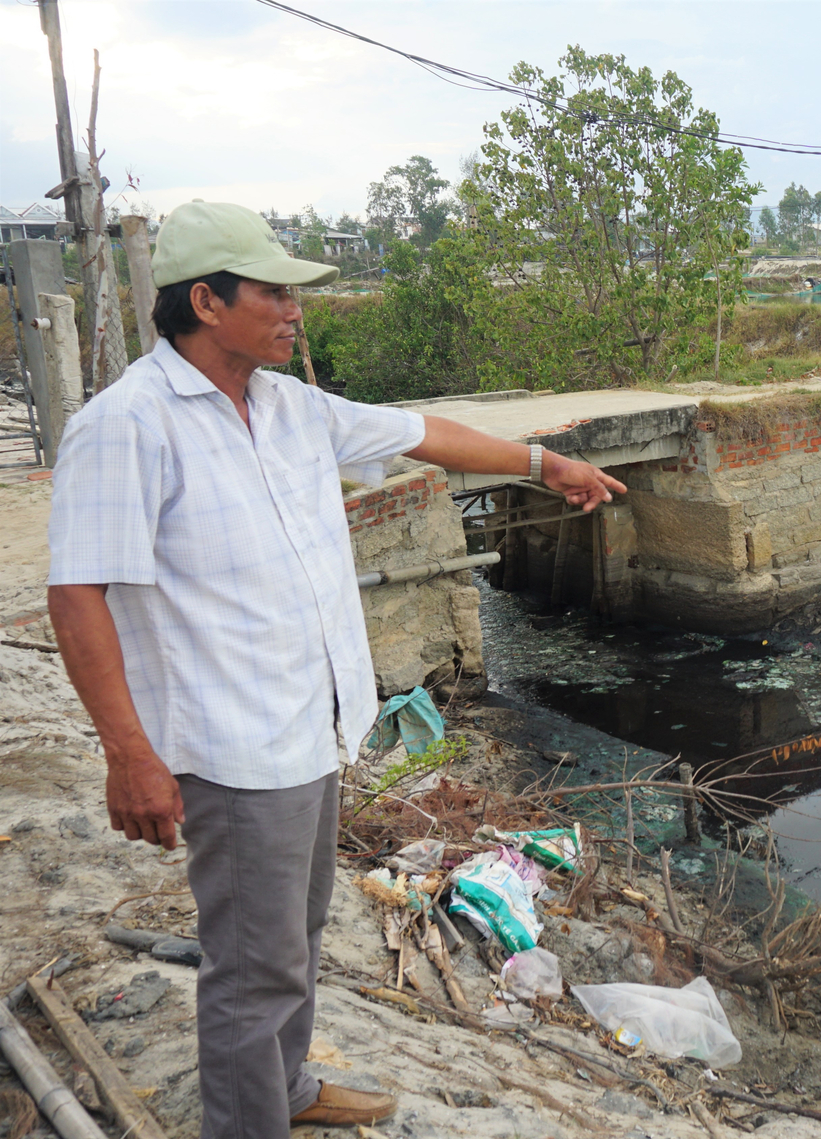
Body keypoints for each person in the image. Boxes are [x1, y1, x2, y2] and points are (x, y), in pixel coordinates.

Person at [44, 201, 626, 1138]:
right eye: (273, 293)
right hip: (231, 747)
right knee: (253, 964)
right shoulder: (130, 424)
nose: (294, 310)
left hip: (310, 727)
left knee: (294, 937)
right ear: (206, 300)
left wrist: (539, 462)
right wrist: (129, 755)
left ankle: (288, 1087)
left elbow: (422, 435)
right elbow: (76, 595)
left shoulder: (289, 407)